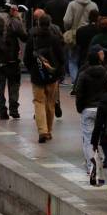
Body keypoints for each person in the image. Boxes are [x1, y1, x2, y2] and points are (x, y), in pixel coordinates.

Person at [24, 14, 65, 143]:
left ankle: (42, 130)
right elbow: (62, 59)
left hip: (37, 76)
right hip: (52, 77)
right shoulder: (55, 39)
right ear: (50, 24)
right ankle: (48, 130)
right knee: (50, 104)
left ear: (38, 24)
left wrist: (33, 70)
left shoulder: (32, 39)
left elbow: (26, 59)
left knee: (39, 102)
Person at [75, 48, 107, 184]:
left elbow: (79, 93)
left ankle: (91, 166)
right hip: (102, 108)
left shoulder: (84, 74)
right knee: (101, 137)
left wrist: (80, 108)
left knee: (88, 138)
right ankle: (101, 163)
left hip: (88, 109)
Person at [0, 5, 27, 120]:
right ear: (11, 11)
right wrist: (19, 19)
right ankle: (14, 109)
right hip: (12, 59)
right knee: (14, 85)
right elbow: (24, 37)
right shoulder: (14, 22)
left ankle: (2, 111)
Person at [62, 0, 100, 82]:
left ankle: (76, 81)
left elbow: (67, 21)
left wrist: (69, 29)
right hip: (89, 34)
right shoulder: (93, 5)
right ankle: (85, 80)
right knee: (85, 58)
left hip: (74, 35)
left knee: (73, 59)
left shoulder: (72, 4)